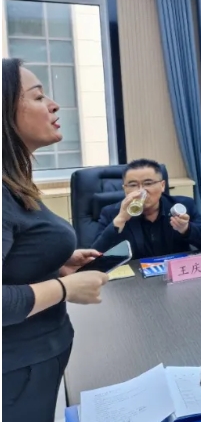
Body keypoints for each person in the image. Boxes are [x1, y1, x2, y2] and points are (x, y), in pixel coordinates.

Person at [2, 58, 110, 421]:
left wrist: (54, 266)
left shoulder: (14, 182)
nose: (54, 105)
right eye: (37, 97)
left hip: (39, 359)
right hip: (15, 372)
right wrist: (64, 289)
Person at [92, 159, 201, 257]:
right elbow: (95, 255)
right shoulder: (112, 213)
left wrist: (186, 229)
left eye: (148, 183)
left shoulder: (183, 205)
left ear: (162, 186)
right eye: (133, 185)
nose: (141, 191)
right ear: (125, 189)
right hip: (136, 279)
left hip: (175, 275)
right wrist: (120, 220)